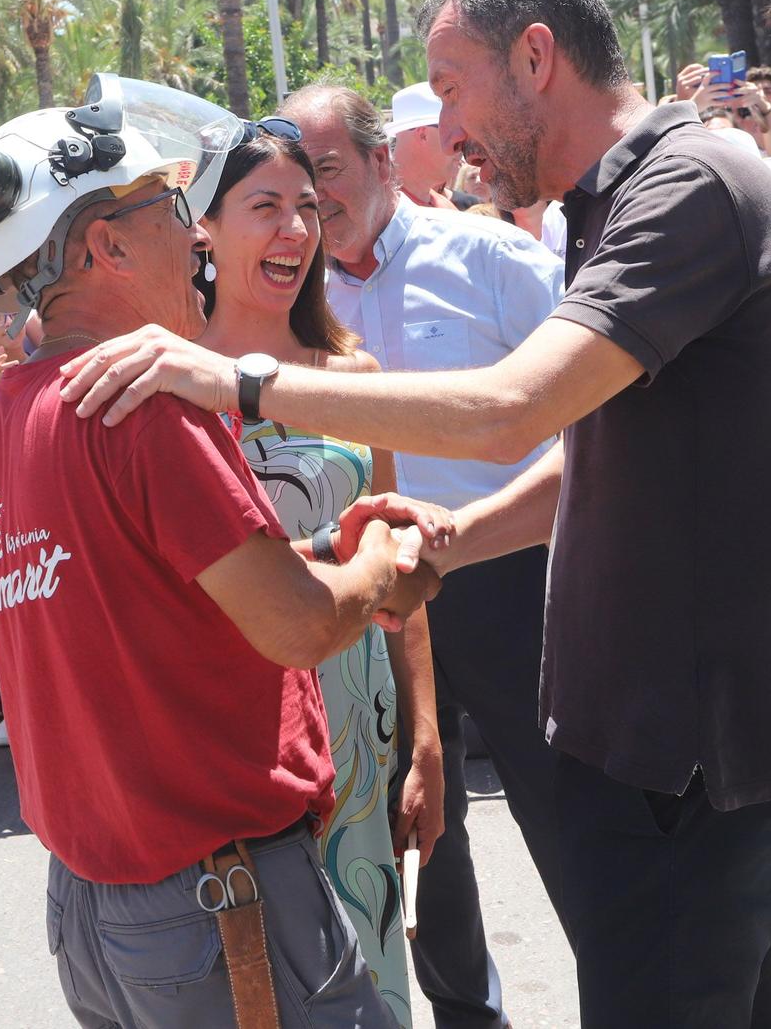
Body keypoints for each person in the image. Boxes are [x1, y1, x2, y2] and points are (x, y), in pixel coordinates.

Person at [62, 0, 771, 1026]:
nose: (446, 128)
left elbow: (511, 410)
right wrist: (453, 540)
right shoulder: (616, 201)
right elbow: (601, 444)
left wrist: (234, 378)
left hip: (690, 754)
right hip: (659, 749)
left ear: (535, 57)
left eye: (452, 87)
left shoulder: (685, 186)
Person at [0, 75, 438, 1027]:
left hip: (96, 906)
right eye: (169, 208)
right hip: (219, 900)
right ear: (106, 245)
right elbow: (297, 623)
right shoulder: (147, 404)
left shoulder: (2, 414)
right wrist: (383, 564)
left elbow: (138, 601)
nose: (197, 234)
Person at [279, 81, 570, 1029]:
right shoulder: (290, 297)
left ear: (381, 162)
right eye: (292, 176)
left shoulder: (493, 258)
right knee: (420, 831)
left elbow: (597, 409)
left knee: (575, 816)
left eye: (326, 167)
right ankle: (466, 1011)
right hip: (380, 604)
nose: (312, 196)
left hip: (516, 583)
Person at [197, 121, 445, 1025]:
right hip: (235, 741)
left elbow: (398, 566)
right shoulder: (169, 383)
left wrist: (425, 736)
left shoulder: (356, 374)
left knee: (371, 974)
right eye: (265, 206)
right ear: (205, 228)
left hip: (361, 732)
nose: (296, 229)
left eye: (307, 205)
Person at [387, 82, 457, 210]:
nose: (460, 144)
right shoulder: (377, 210)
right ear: (423, 134)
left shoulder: (446, 208)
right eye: (452, 132)